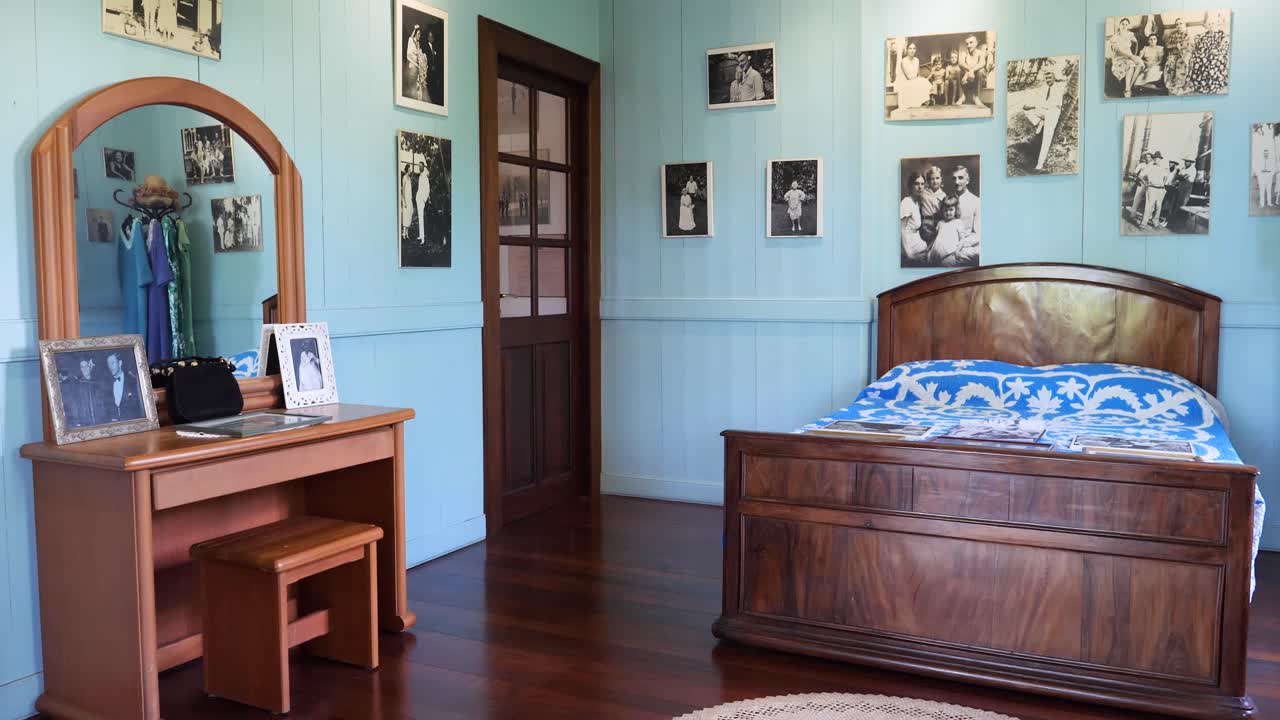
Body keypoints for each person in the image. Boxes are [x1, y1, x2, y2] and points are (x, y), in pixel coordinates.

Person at [1018, 69, 1068, 171]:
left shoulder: (1059, 88)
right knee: (1026, 109)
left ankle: (1040, 164)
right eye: (1046, 78)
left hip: (1053, 112)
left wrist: (1034, 106)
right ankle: (1040, 121)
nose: (1048, 80)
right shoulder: (1045, 88)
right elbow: (1040, 101)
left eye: (1050, 77)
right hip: (1044, 111)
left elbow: (1052, 104)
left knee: (1047, 138)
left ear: (1054, 77)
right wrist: (1031, 106)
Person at [927, 195, 979, 267]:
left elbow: (962, 239)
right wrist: (928, 249)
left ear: (956, 210)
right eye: (945, 210)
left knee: (944, 265)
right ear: (942, 211)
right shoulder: (940, 223)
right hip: (935, 253)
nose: (948, 213)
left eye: (951, 210)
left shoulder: (958, 222)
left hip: (948, 252)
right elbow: (936, 238)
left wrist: (958, 250)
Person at [1189, 12, 1229, 95]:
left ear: (1217, 24)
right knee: (1197, 59)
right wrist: (1203, 50)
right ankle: (1201, 85)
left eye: (1213, 23)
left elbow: (1224, 46)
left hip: (1216, 54)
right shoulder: (1203, 35)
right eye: (1209, 23)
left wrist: (1215, 51)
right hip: (1205, 54)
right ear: (1207, 25)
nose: (1211, 25)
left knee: (1213, 60)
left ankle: (1213, 84)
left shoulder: (1222, 34)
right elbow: (1199, 46)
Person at [103, 352, 143, 423]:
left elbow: (139, 406)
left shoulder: (133, 381)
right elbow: (106, 406)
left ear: (120, 363)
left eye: (112, 363)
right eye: (108, 364)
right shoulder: (107, 384)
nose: (110, 366)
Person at [893, 42, 932, 110]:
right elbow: (908, 77)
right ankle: (920, 101)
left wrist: (919, 79)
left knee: (924, 81)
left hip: (914, 80)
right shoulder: (903, 61)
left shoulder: (917, 60)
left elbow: (918, 74)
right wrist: (917, 79)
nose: (912, 50)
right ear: (907, 50)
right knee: (918, 82)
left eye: (914, 48)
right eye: (910, 48)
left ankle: (924, 101)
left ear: (916, 50)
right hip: (906, 82)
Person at [1108, 18, 1141, 97]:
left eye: (1126, 24)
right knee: (1130, 65)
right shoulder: (1115, 37)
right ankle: (1127, 89)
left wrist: (1134, 54)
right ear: (1119, 25)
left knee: (1140, 64)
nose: (1124, 26)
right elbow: (1117, 51)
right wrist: (1130, 56)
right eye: (1123, 24)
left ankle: (1129, 86)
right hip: (1119, 58)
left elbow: (1136, 43)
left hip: (1130, 56)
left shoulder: (1130, 34)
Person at [900, 171, 928, 265]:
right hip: (908, 242)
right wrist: (908, 254)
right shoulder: (906, 202)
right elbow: (901, 229)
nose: (920, 187)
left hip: (916, 238)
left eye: (922, 184)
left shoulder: (916, 202)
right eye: (916, 184)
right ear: (910, 185)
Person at [1162, 17, 1193, 95]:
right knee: (1170, 61)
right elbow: (1167, 45)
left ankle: (1180, 85)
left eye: (1180, 23)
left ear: (1184, 24)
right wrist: (1176, 45)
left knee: (1181, 62)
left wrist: (1181, 49)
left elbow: (1189, 46)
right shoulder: (1173, 34)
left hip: (1185, 53)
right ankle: (1171, 85)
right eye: (1177, 24)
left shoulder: (1188, 34)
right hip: (1174, 53)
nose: (1178, 25)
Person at [952, 164, 980, 245]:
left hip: (966, 244)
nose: (956, 182)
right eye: (954, 178)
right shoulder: (947, 200)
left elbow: (978, 233)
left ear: (967, 180)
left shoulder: (976, 201)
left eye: (960, 178)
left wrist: (962, 244)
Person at [1140, 151, 1170, 228]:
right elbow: (1140, 176)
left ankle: (1155, 222)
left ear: (1160, 159)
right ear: (1153, 159)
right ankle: (1143, 224)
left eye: (1159, 158)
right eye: (1155, 158)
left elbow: (1166, 176)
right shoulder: (1149, 167)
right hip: (1152, 188)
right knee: (1149, 206)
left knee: (1158, 206)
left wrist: (1163, 184)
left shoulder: (1163, 168)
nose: (1157, 159)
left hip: (1160, 189)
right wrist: (1146, 184)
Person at [917, 165, 945, 243]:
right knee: (924, 244)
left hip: (937, 223)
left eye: (937, 178)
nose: (935, 181)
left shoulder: (943, 196)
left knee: (935, 244)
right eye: (932, 179)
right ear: (928, 181)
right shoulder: (922, 193)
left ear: (941, 179)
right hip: (925, 223)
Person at [958, 35, 988, 107]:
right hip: (966, 79)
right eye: (967, 43)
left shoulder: (980, 53)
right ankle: (962, 96)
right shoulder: (964, 53)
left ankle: (976, 97)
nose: (969, 45)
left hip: (977, 79)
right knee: (958, 70)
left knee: (981, 71)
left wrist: (971, 71)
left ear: (976, 43)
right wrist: (968, 72)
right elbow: (961, 63)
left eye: (971, 42)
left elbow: (982, 63)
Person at [1129, 151, 1154, 221]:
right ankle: (1132, 215)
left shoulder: (1153, 165)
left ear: (1151, 158)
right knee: (1137, 198)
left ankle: (1149, 217)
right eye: (1146, 157)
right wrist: (1135, 175)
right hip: (1141, 183)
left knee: (1149, 201)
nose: (1147, 158)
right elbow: (1135, 172)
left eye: (1148, 157)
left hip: (1149, 184)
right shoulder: (1141, 164)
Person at [406, 25, 428, 102]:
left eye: (420, 34)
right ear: (415, 33)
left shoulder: (418, 44)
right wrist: (416, 63)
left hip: (418, 69)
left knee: (418, 89)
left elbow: (420, 55)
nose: (419, 36)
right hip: (413, 68)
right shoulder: (411, 41)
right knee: (412, 88)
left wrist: (422, 59)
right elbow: (409, 54)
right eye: (418, 34)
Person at [415, 157, 431, 245]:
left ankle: (423, 238)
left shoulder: (425, 176)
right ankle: (421, 236)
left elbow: (428, 188)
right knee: (419, 217)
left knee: (421, 218)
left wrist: (424, 199)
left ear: (423, 167)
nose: (419, 168)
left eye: (420, 166)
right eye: (418, 166)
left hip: (422, 199)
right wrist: (417, 197)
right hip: (418, 198)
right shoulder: (421, 175)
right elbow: (420, 188)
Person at [1255, 144, 1276, 210]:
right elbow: (1257, 169)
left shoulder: (1271, 161)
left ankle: (1269, 203)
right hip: (1262, 177)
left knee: (1269, 190)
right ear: (1263, 153)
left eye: (1267, 153)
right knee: (1262, 190)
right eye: (1264, 153)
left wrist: (1271, 174)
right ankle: (1262, 204)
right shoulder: (1260, 161)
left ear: (1268, 154)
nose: (1266, 154)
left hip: (1268, 177)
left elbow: (1273, 169)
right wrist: (1260, 174)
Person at [400, 162, 415, 241]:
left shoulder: (409, 178)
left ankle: (407, 233)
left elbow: (410, 190)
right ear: (406, 170)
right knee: (405, 216)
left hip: (409, 199)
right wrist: (404, 201)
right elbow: (402, 190)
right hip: (406, 199)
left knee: (410, 214)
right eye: (409, 169)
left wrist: (410, 199)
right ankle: (404, 234)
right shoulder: (404, 178)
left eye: (410, 169)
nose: (410, 171)